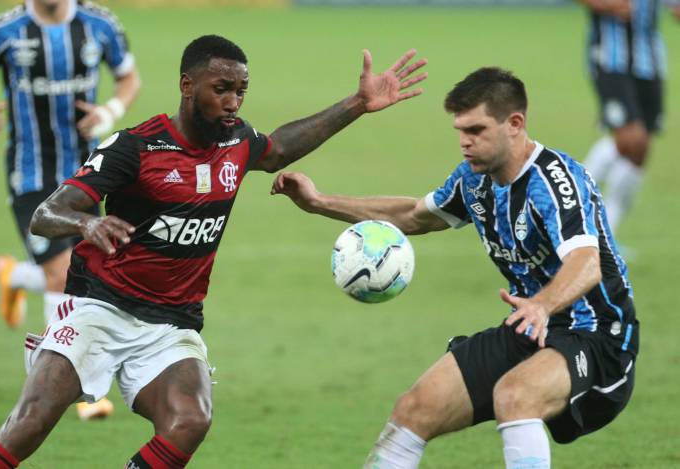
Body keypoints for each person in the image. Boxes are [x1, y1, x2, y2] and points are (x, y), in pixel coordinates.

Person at [0, 34, 427, 468]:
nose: (233, 102)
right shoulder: (134, 147)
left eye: (241, 91)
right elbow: (46, 213)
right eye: (222, 89)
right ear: (187, 86)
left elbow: (281, 148)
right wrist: (87, 221)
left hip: (171, 321)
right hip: (98, 307)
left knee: (190, 420)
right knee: (29, 424)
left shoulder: (237, 142)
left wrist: (356, 104)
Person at [271, 67, 638, 469]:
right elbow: (414, 215)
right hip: (532, 325)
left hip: (598, 334)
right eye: (460, 130)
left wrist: (541, 306)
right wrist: (321, 202)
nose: (465, 142)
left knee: (516, 397)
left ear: (515, 124)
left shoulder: (554, 180)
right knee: (415, 409)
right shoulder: (474, 180)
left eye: (477, 130)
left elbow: (587, 265)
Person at [0, 0, 140, 422]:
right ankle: (65, 389)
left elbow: (128, 78)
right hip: (30, 175)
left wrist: (109, 111)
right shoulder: (4, 30)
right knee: (61, 271)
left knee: (88, 271)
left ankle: (13, 275)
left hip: (86, 175)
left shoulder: (99, 25)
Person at [579, 0, 680, 236]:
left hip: (650, 61)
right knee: (632, 138)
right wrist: (605, 4)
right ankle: (570, 199)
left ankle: (604, 235)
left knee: (639, 148)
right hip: (610, 59)